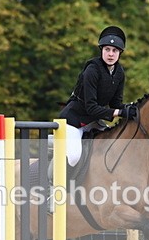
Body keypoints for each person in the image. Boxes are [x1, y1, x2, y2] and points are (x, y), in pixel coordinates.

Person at [59, 25, 137, 167]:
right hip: (74, 121)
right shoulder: (92, 70)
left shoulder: (119, 72)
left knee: (113, 148)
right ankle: (52, 181)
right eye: (107, 49)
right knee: (74, 157)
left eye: (114, 51)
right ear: (101, 50)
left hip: (93, 121)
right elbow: (91, 108)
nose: (111, 54)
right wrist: (120, 112)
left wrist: (133, 108)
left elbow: (116, 104)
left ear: (120, 53)